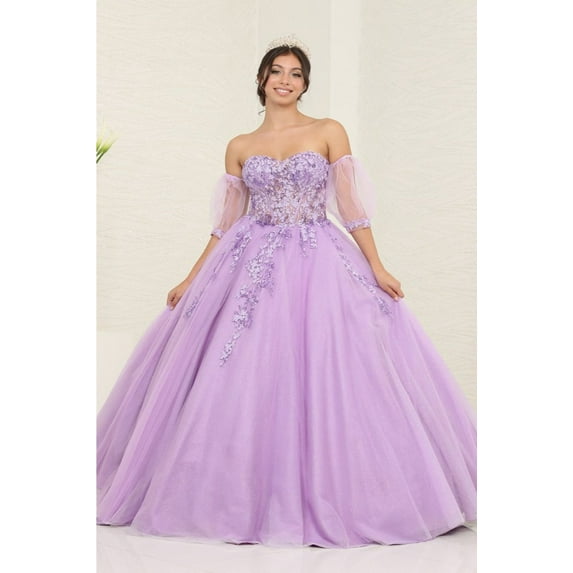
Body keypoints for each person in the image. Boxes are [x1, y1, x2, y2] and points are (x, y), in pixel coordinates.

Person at [97, 35, 477, 549]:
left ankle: (359, 493)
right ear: (261, 79)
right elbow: (224, 224)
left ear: (305, 84)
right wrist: (191, 277)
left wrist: (377, 265)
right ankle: (235, 495)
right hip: (250, 260)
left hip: (319, 257)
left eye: (296, 74)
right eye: (277, 71)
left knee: (332, 362)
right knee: (244, 368)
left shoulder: (328, 131)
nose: (285, 80)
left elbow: (352, 209)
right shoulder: (239, 145)